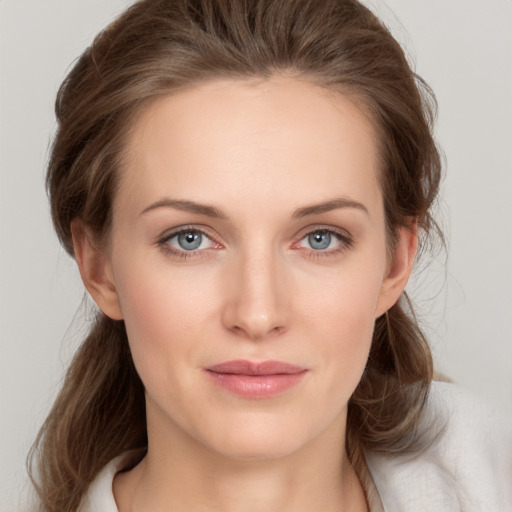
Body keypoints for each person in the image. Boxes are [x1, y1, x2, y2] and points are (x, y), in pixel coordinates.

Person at [27, 0, 511, 511]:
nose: (258, 314)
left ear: (395, 263)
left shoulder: (488, 473)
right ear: (99, 267)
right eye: (188, 238)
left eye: (320, 238)